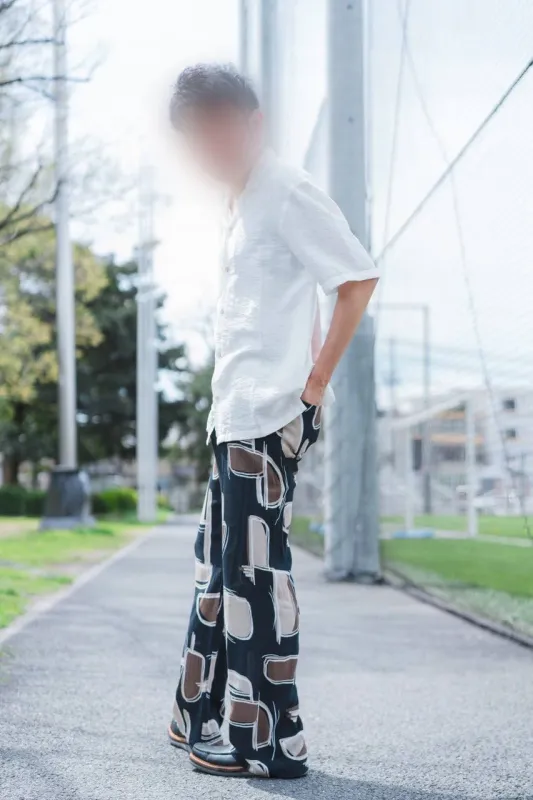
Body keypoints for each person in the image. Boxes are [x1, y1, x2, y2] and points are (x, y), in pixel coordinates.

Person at [167, 63, 380, 780]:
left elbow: (355, 278)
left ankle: (267, 744)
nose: (211, 149)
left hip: (267, 413)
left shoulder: (284, 189)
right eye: (199, 139)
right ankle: (195, 715)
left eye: (221, 132)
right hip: (235, 413)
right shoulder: (241, 202)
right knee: (218, 568)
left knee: (254, 578)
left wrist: (313, 384)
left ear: (253, 124)